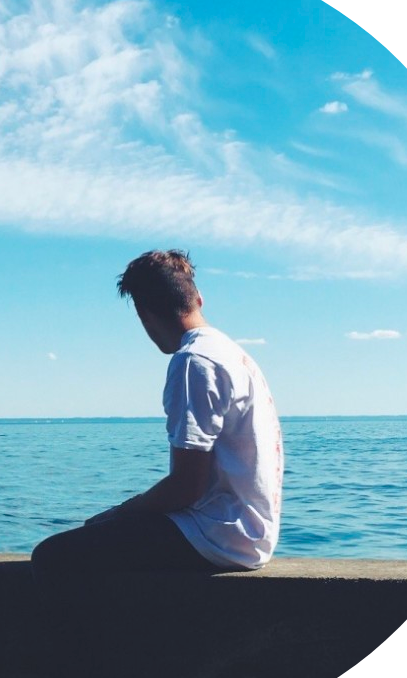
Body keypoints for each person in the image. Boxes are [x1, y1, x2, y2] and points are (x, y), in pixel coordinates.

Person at [31, 249, 284, 582]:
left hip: (216, 536)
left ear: (144, 314)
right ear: (199, 298)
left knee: (52, 556)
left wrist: (120, 512)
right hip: (249, 534)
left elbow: (186, 487)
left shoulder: (194, 361)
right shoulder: (231, 354)